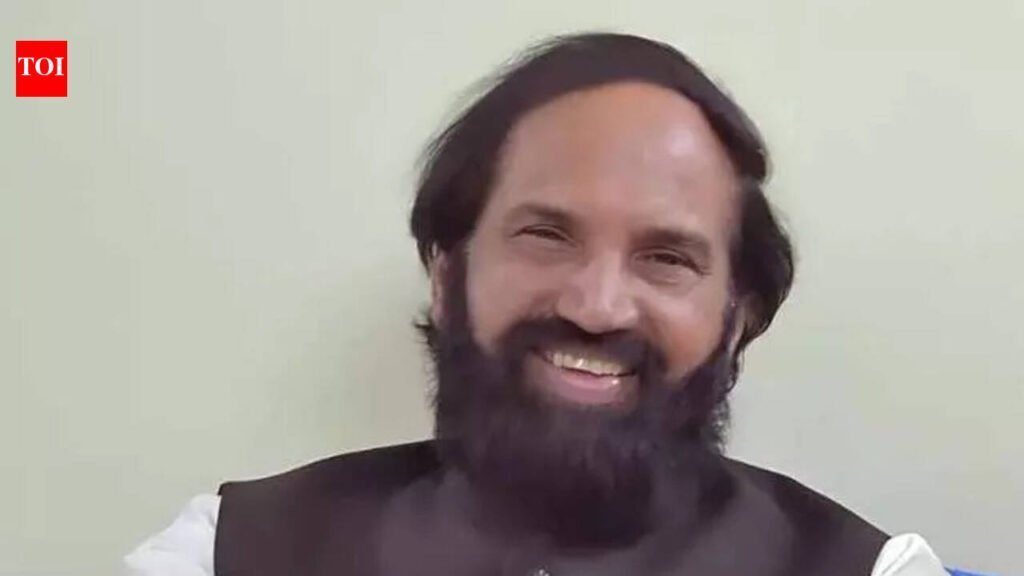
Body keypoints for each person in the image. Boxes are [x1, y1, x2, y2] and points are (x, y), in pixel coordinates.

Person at [125, 33, 948, 576]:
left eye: (667, 258)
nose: (596, 306)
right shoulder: (227, 550)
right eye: (546, 235)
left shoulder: (870, 570)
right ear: (446, 275)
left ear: (740, 320)